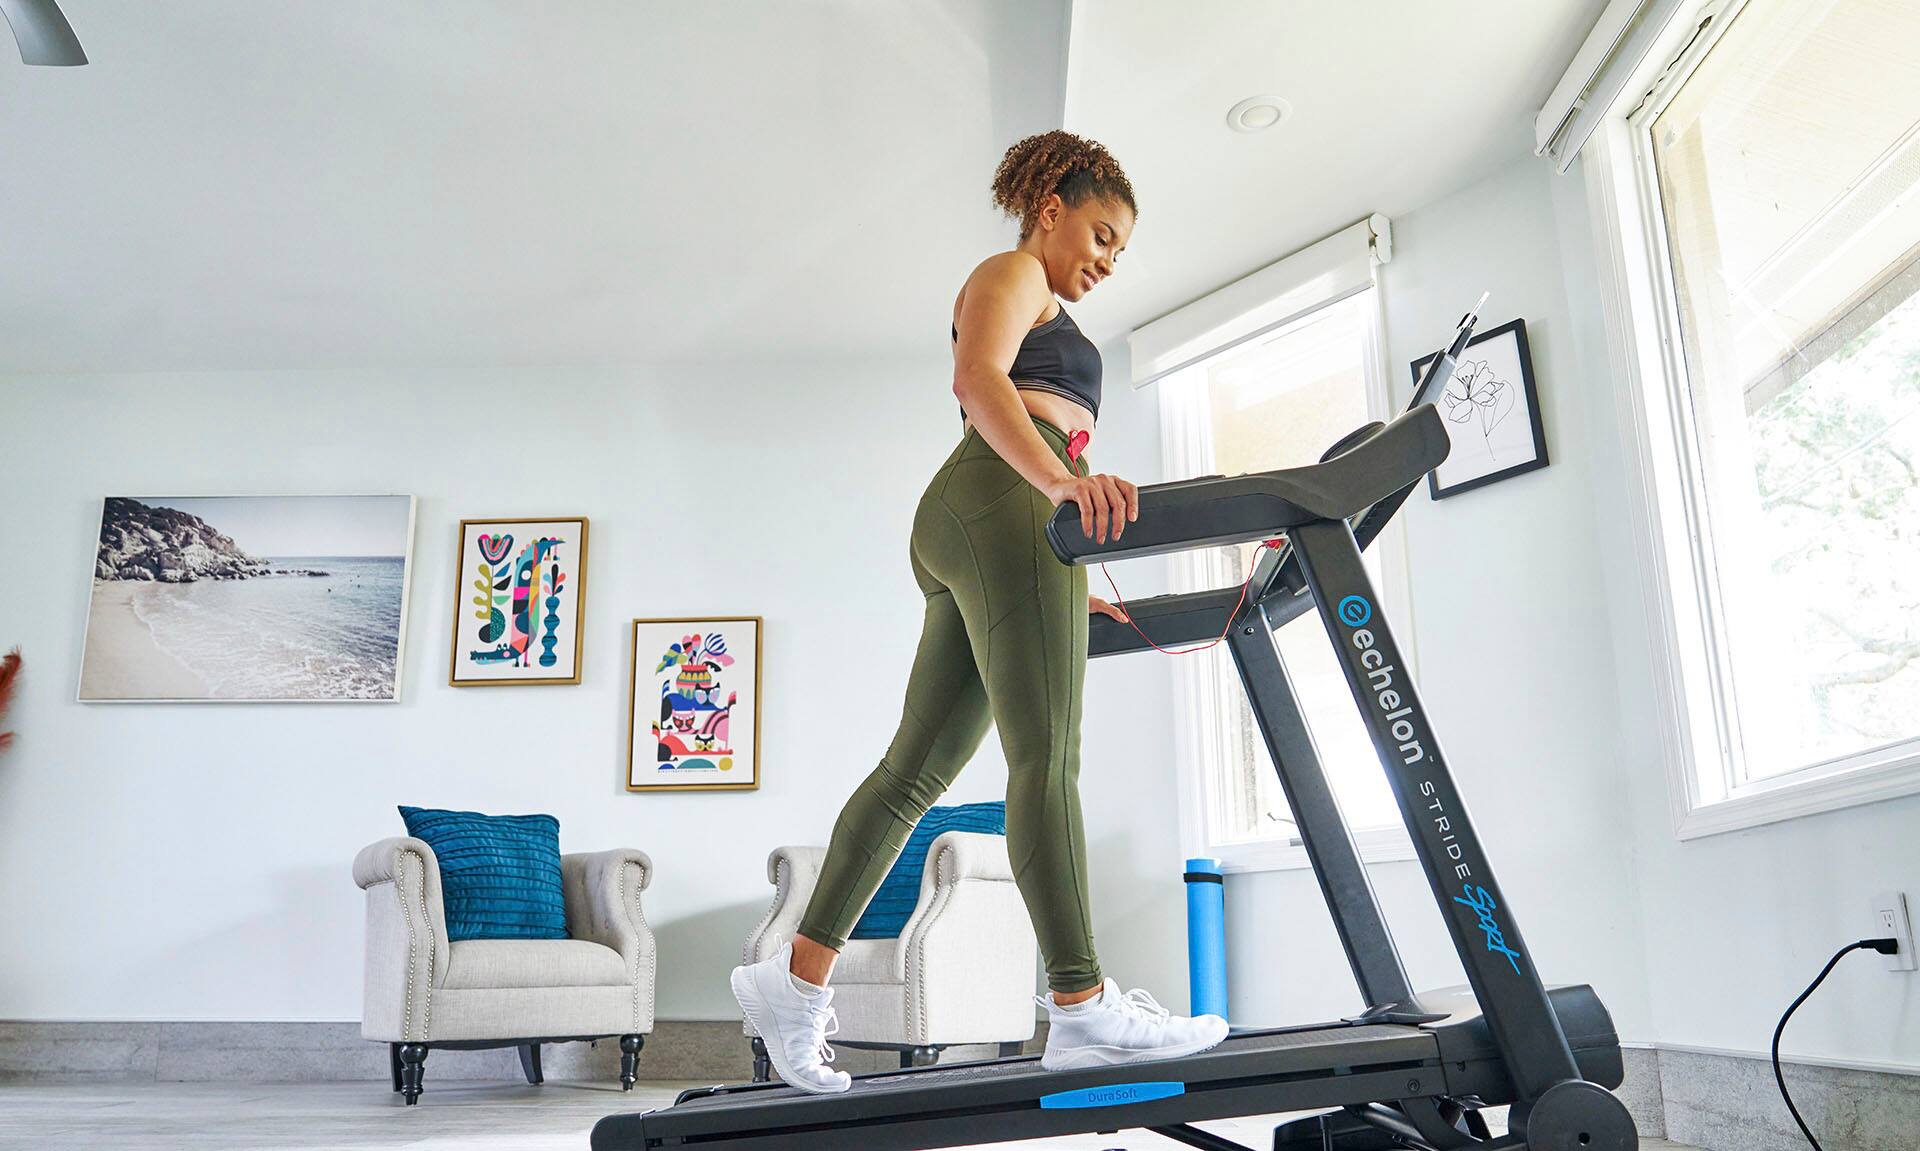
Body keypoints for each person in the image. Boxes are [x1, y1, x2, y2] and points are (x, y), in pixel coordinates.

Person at [731, 130, 1228, 1094]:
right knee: (1047, 756)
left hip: (987, 512)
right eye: (1101, 233)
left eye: (1122, 249)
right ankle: (1082, 1005)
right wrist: (1061, 487)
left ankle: (792, 983)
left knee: (913, 773)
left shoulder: (1037, 290)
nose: (1109, 259)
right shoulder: (1012, 271)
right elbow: (978, 381)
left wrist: (1056, 541)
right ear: (1050, 209)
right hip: (1005, 498)